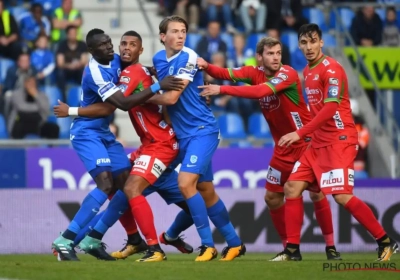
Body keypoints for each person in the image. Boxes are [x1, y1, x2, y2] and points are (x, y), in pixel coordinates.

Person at [55, 30, 194, 262]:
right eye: (104, 45)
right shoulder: (95, 72)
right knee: (106, 184)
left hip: (105, 133)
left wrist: (151, 71)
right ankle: (66, 240)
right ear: (92, 51)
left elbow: (136, 66)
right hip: (86, 132)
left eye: (111, 43)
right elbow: (116, 106)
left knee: (124, 185)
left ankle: (128, 239)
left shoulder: (118, 60)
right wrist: (157, 85)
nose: (112, 48)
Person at [197, 36, 341, 260]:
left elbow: (260, 92)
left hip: (304, 143)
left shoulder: (288, 74)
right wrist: (207, 66)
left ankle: (330, 247)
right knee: (272, 198)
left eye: (278, 53)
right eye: (270, 54)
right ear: (259, 57)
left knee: (316, 194)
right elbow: (225, 73)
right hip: (282, 147)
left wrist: (221, 90)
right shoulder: (253, 72)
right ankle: (288, 250)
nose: (275, 58)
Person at [275, 23, 398, 261]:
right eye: (304, 42)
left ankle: (385, 241)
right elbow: (316, 110)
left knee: (341, 196)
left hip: (339, 139)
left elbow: (330, 108)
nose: (309, 47)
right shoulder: (307, 71)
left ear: (321, 42)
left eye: (313, 41)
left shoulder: (332, 69)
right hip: (318, 142)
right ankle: (292, 250)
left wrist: (299, 134)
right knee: (292, 187)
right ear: (299, 45)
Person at [148, 15, 245, 262]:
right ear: (162, 37)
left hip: (203, 130)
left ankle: (207, 246)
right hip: (182, 136)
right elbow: (163, 86)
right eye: (175, 31)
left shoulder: (188, 56)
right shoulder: (159, 59)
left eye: (184, 31)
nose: (181, 35)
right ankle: (234, 243)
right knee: (206, 190)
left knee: (184, 183)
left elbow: (170, 98)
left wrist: (138, 98)